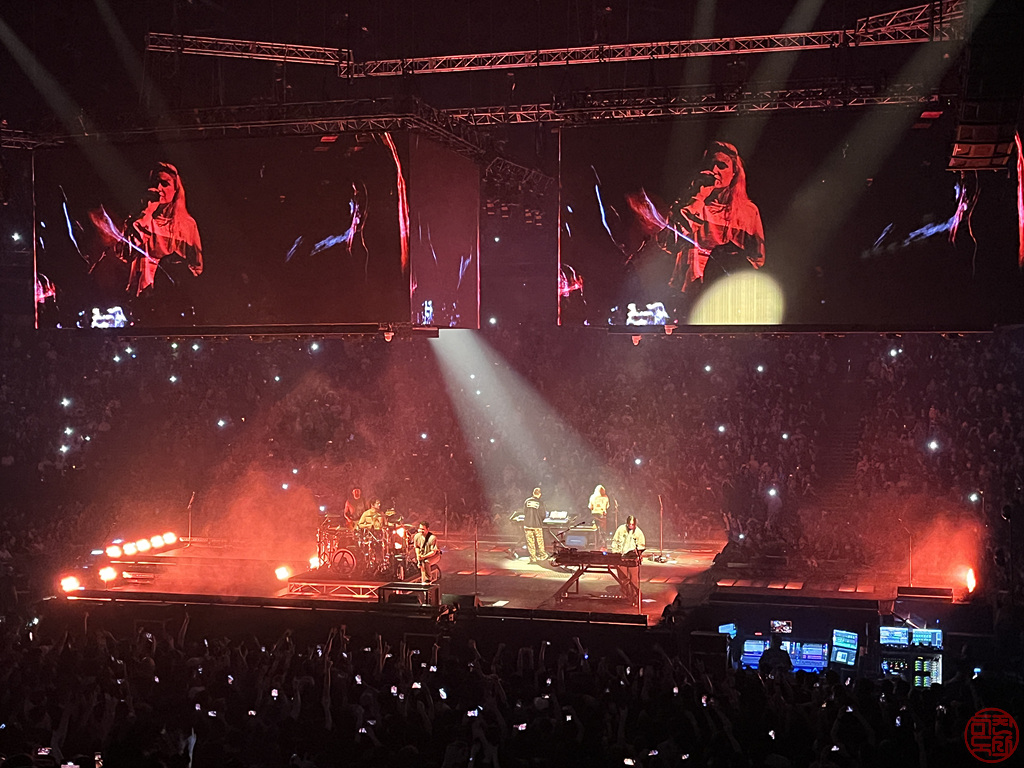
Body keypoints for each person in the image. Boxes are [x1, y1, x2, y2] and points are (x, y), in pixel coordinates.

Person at [658, 141, 765, 297]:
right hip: (686, 294)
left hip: (725, 296)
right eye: (710, 164)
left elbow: (757, 259)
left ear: (734, 173)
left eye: (721, 166)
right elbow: (668, 244)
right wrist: (697, 198)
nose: (714, 170)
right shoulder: (690, 203)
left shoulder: (748, 212)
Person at [120, 162, 203, 324]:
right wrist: (146, 212)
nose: (158, 188)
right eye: (155, 183)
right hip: (142, 302)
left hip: (173, 305)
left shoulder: (187, 225)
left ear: (176, 189)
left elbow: (196, 268)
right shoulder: (139, 218)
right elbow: (126, 253)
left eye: (165, 184)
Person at [611, 515, 646, 601]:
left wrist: (637, 554)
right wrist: (615, 554)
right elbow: (615, 541)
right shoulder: (620, 529)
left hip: (632, 558)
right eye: (629, 525)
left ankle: (634, 595)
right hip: (621, 557)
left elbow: (641, 546)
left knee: (633, 579)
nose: (631, 527)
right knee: (623, 577)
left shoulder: (639, 532)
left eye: (632, 525)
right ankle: (625, 594)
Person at [523, 487, 547, 564]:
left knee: (530, 542)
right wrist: (540, 520)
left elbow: (525, 512)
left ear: (533, 493)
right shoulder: (540, 503)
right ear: (540, 494)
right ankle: (542, 556)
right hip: (537, 525)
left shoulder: (527, 501)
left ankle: (533, 558)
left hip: (527, 524)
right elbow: (543, 514)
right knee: (540, 541)